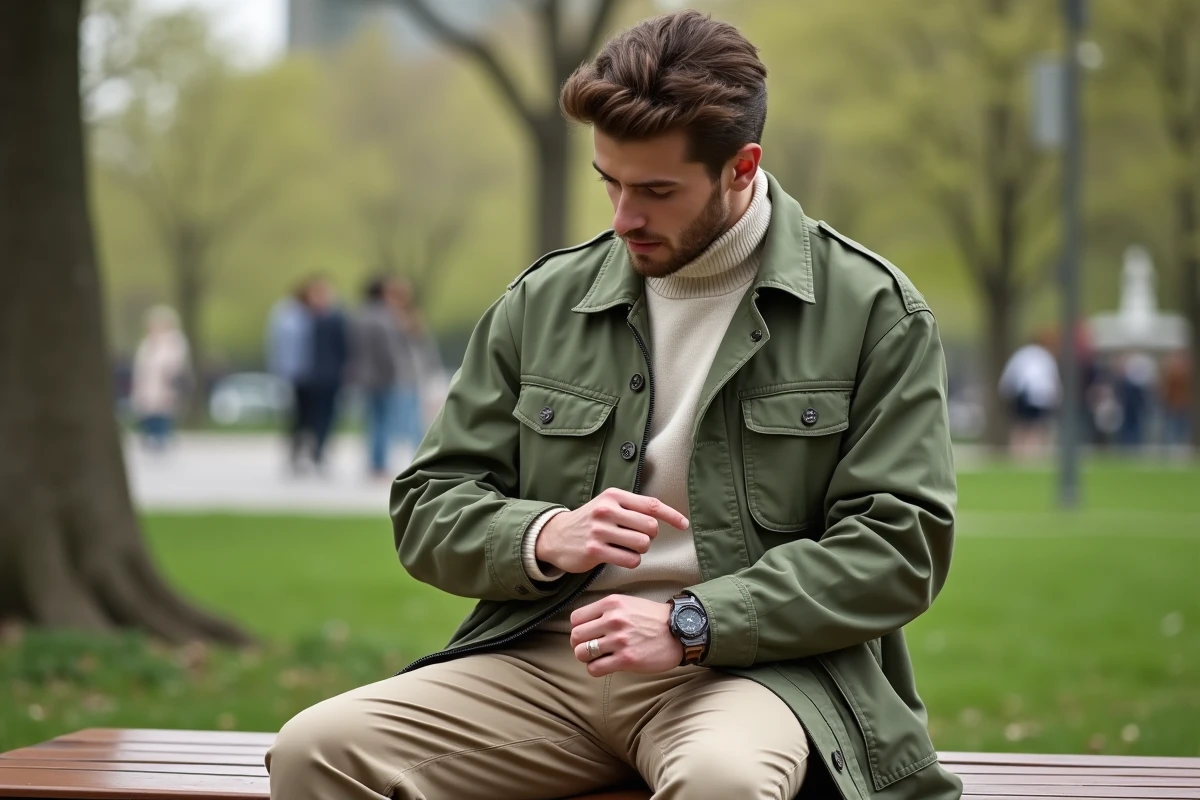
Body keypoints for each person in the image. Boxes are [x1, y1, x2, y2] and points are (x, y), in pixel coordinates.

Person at [267, 11, 961, 800]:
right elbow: (427, 504)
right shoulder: (544, 302)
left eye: (656, 191)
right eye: (610, 182)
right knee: (313, 751)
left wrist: (691, 623)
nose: (624, 216)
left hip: (757, 675)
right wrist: (542, 535)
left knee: (722, 783)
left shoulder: (872, 311)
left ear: (742, 167)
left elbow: (898, 548)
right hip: (545, 663)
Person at [350, 275, 411, 479]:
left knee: (373, 420)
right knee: (384, 421)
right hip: (383, 377)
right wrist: (397, 375)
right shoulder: (384, 318)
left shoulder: (360, 316)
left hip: (364, 376)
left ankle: (374, 462)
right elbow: (388, 353)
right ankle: (379, 464)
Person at [266, 279, 315, 473]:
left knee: (303, 418)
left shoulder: (300, 315)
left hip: (303, 374)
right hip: (294, 374)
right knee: (297, 417)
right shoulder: (289, 315)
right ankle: (295, 455)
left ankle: (301, 454)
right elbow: (281, 347)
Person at [301, 276, 349, 472]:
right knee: (319, 415)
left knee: (323, 415)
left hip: (323, 375)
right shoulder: (321, 318)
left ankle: (318, 449)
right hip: (320, 375)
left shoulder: (317, 318)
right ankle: (316, 449)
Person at [129, 305, 191, 452]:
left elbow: (175, 365)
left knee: (162, 413)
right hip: (147, 386)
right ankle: (151, 439)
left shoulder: (174, 342)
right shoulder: (147, 343)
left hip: (165, 386)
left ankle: (161, 441)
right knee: (148, 414)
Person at [998, 333, 1061, 459]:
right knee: (1035, 427)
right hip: (1039, 397)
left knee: (1022, 426)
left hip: (1025, 394)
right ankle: (1032, 455)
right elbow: (1052, 380)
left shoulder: (1022, 354)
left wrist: (1006, 393)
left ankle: (1019, 454)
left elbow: (1009, 376)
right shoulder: (1045, 356)